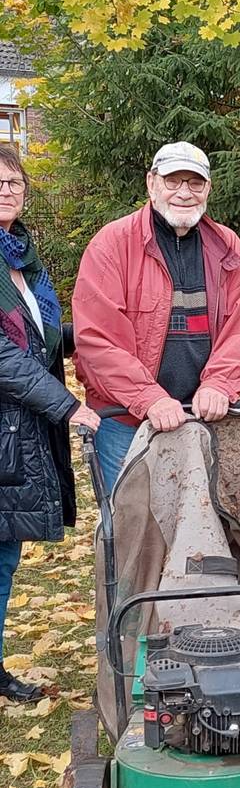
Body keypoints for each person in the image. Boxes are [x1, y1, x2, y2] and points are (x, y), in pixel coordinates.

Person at [72, 141, 240, 490]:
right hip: (125, 422)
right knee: (131, 533)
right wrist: (149, 397)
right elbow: (97, 339)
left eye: (195, 183)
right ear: (151, 183)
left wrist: (220, 382)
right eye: (173, 181)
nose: (184, 193)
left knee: (201, 530)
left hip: (203, 419)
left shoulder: (228, 247)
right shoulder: (112, 244)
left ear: (208, 188)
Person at [0, 145, 100, 702]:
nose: (8, 191)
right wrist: (67, 405)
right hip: (12, 423)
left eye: (14, 182)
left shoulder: (22, 260)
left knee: (4, 554)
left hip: (19, 431)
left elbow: (42, 340)